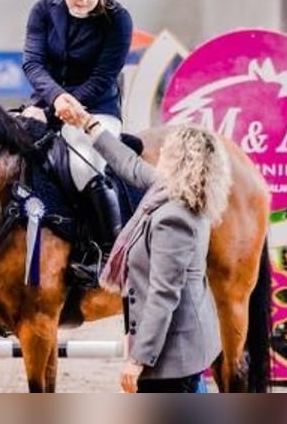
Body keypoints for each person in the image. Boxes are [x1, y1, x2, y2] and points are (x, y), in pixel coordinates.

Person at [65, 109, 230, 393]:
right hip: (186, 345)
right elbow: (129, 164)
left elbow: (163, 295)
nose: (162, 151)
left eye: (170, 150)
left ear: (179, 161)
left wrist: (138, 359)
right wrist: (89, 125)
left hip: (171, 356)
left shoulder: (173, 217)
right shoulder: (171, 190)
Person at [21, 0, 133, 282]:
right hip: (45, 101)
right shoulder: (43, 10)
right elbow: (33, 62)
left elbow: (103, 78)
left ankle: (108, 253)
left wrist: (65, 110)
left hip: (98, 109)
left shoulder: (118, 21)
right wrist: (53, 102)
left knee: (86, 163)